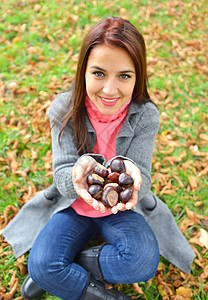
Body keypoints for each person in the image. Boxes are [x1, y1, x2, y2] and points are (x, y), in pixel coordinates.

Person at [3, 17, 195, 300]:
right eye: (99, 73)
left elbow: (143, 175)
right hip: (72, 207)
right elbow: (61, 174)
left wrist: (136, 180)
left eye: (124, 76)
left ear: (138, 77)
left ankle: (67, 265)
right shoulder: (64, 109)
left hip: (122, 211)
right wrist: (78, 174)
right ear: (83, 71)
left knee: (142, 261)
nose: (109, 90)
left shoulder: (145, 115)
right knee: (42, 264)